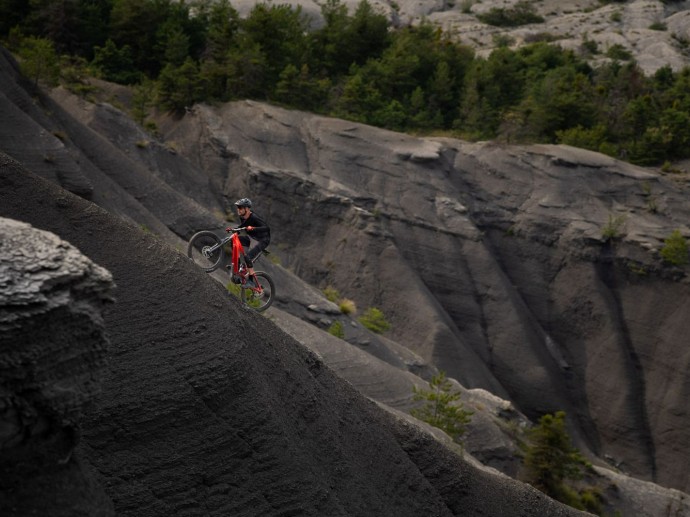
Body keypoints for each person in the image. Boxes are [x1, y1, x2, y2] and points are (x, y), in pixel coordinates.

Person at [226, 198, 270, 288]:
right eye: (237, 207)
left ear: (247, 209)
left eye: (240, 207)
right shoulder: (242, 217)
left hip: (263, 240)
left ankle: (251, 281)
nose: (238, 209)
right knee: (234, 240)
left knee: (248, 257)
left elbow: (267, 228)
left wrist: (253, 228)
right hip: (252, 238)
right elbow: (242, 227)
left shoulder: (254, 217)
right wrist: (234, 230)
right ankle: (237, 268)